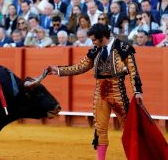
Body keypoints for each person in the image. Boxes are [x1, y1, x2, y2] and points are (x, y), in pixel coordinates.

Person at [46, 23, 143, 160]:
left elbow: (133, 72)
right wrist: (59, 70)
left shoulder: (123, 48)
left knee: (129, 129)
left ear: (102, 37)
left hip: (117, 92)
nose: (92, 43)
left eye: (94, 40)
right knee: (100, 129)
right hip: (100, 93)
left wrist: (137, 92)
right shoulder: (96, 49)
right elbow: (80, 67)